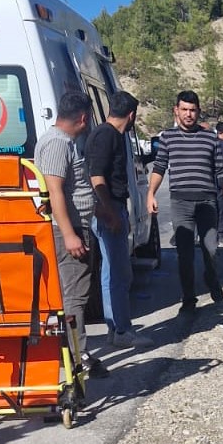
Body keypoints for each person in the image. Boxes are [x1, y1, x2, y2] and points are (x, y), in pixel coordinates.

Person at [147, 90, 223, 316]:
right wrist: (150, 194)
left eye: (193, 110)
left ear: (198, 112)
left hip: (207, 202)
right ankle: (189, 298)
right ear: (176, 111)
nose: (189, 114)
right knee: (185, 254)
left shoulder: (210, 138)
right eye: (184, 110)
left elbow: (221, 171)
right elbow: (159, 167)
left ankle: (211, 278)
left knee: (211, 249)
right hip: (181, 203)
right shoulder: (167, 138)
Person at [34, 92, 107, 375]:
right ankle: (77, 358)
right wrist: (69, 234)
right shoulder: (57, 143)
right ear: (83, 118)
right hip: (67, 231)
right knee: (73, 296)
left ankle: (78, 352)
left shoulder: (62, 142)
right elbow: (54, 191)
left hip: (76, 226)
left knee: (76, 294)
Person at [87, 90, 152, 349]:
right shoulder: (108, 136)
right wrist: (109, 210)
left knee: (110, 273)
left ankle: (115, 328)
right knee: (119, 273)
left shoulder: (104, 133)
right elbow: (97, 176)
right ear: (132, 115)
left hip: (108, 208)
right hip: (109, 208)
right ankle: (123, 330)